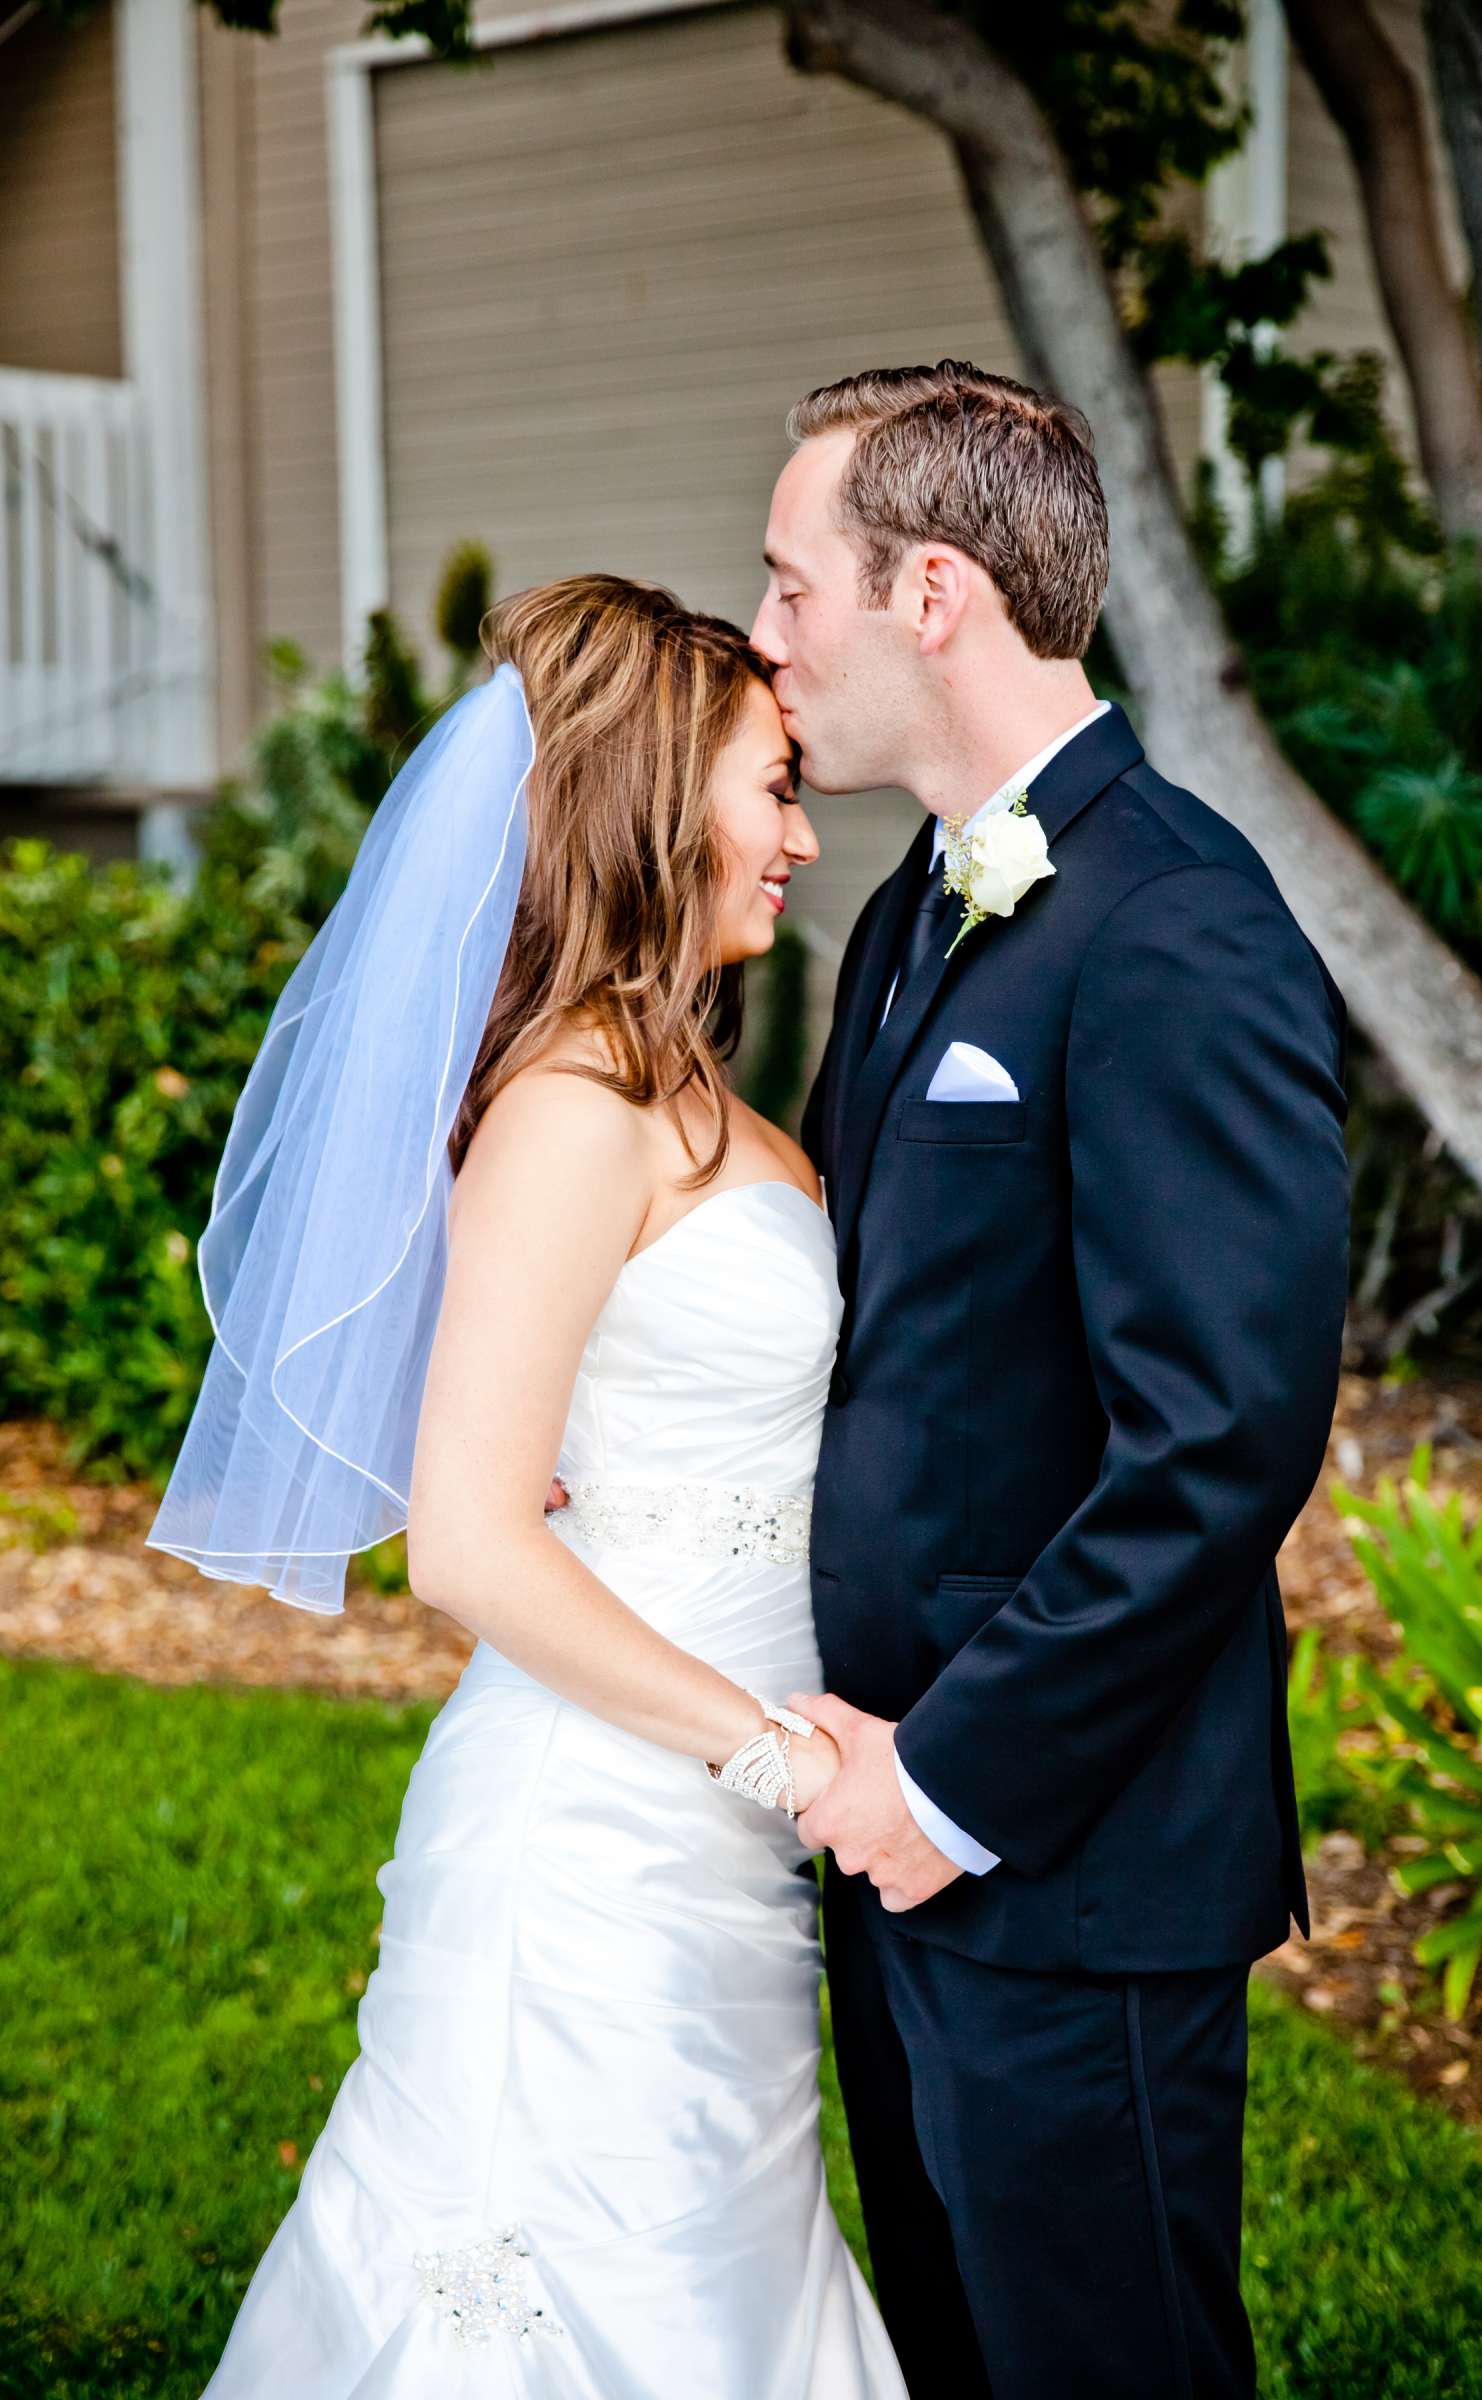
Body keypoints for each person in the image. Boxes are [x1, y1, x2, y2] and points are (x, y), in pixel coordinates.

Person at [149, 574, 908, 2397]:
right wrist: (779, 1756)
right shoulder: (578, 1103)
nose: (801, 835)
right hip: (598, 1842)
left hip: (712, 1847)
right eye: (770, 786)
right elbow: (473, 1545)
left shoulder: (677, 1085)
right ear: (655, 799)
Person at [749, 360, 1351, 2400]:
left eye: (785, 589)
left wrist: (949, 1777)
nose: (765, 647)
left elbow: (1219, 1441)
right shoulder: (904, 915)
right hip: (881, 1826)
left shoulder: (1175, 918)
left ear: (929, 592)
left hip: (1062, 1851)